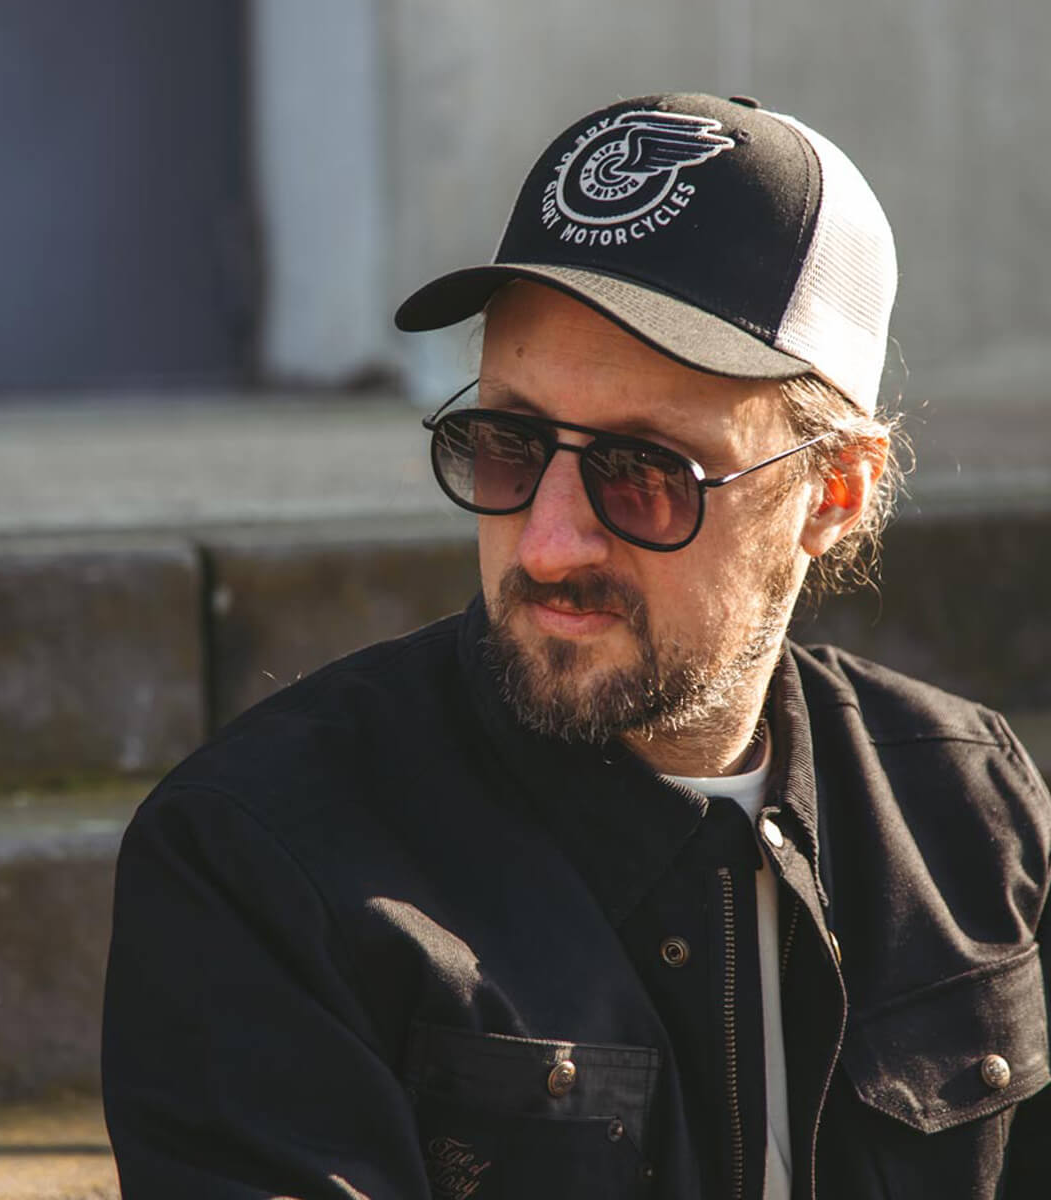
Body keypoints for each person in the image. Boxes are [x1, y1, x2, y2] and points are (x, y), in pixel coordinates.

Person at [102, 93, 1050, 1200]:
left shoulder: (971, 812)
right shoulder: (261, 864)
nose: (548, 544)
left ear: (833, 492)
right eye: (507, 444)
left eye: (644, 472)